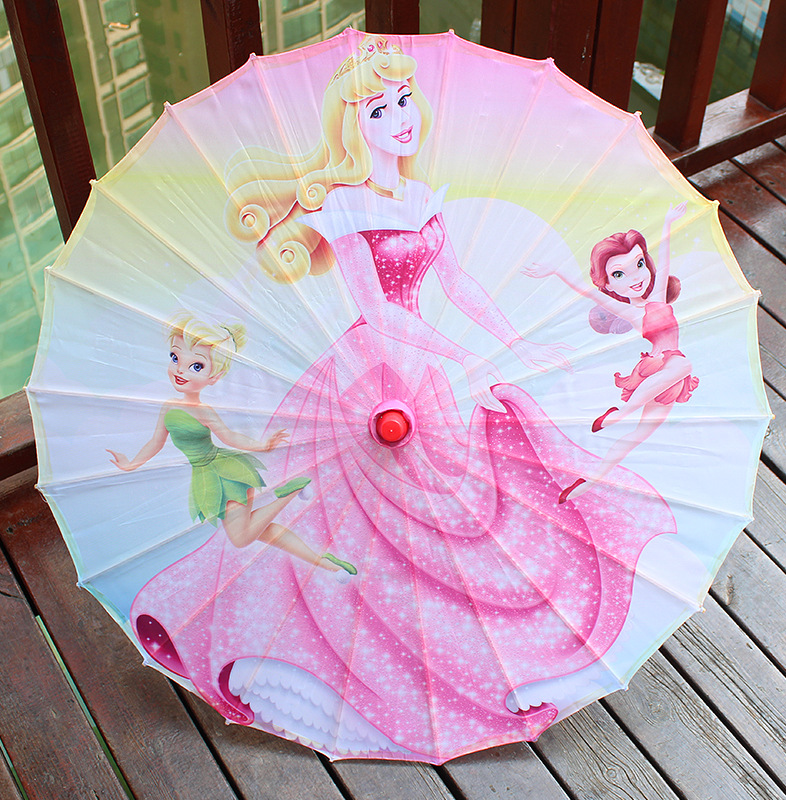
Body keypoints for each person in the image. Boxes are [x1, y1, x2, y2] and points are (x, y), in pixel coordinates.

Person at [129, 36, 677, 763]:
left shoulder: (420, 198)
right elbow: (378, 310)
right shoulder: (345, 207)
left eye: (405, 101)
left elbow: (459, 287)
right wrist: (464, 358)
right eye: (379, 110)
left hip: (424, 369)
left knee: (450, 515)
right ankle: (352, 662)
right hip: (371, 369)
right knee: (354, 521)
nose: (401, 118)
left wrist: (515, 347)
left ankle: (464, 661)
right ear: (352, 129)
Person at [108, 311, 356, 575]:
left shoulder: (204, 411)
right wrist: (132, 463)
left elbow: (229, 437)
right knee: (262, 531)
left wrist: (263, 445)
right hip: (205, 478)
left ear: (214, 377)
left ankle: (291, 492)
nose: (180, 369)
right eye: (175, 357)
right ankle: (324, 562)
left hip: (224, 472)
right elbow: (155, 443)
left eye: (196, 366)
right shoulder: (168, 407)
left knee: (241, 538)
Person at [524, 203, 697, 503]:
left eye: (639, 264)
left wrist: (668, 223)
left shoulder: (657, 296)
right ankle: (619, 414)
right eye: (619, 274)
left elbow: (665, 261)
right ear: (609, 282)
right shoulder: (629, 311)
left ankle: (586, 483)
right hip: (663, 364)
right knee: (685, 364)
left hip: (668, 378)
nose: (634, 277)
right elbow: (588, 291)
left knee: (638, 436)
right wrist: (557, 271)